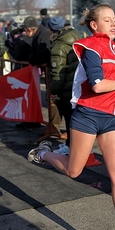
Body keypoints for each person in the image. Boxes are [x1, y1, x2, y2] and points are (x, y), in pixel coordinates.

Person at [28, 4, 115, 230]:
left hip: (111, 118)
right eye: (107, 20)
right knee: (74, 171)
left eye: (114, 19)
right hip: (88, 116)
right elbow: (97, 85)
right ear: (94, 25)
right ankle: (44, 155)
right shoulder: (91, 46)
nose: (114, 23)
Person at [47, 16, 80, 154]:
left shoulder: (59, 46)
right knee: (75, 119)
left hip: (66, 89)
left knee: (69, 119)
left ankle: (71, 147)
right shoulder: (76, 37)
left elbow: (58, 73)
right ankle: (70, 144)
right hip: (77, 85)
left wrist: (53, 90)